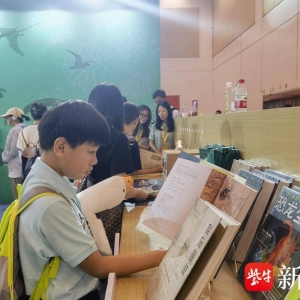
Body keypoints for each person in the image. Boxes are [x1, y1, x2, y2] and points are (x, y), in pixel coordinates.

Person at [18, 100, 166, 299]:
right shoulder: (50, 205)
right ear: (61, 147)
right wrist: (161, 256)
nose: (95, 161)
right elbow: (97, 266)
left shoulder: (39, 178)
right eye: (91, 152)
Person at [88, 83, 147, 249]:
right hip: (108, 212)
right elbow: (120, 188)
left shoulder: (87, 135)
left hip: (90, 211)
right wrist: (140, 193)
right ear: (117, 108)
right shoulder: (116, 137)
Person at [123, 102, 162, 175]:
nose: (144, 118)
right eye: (142, 115)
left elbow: (148, 147)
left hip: (142, 160)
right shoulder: (126, 135)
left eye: (146, 116)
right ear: (135, 119)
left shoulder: (147, 130)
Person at [1, 107, 30, 199]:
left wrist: (4, 158)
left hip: (16, 169)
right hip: (26, 168)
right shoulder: (26, 128)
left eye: (8, 117)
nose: (7, 120)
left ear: (14, 117)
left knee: (18, 198)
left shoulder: (14, 131)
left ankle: (17, 214)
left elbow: (12, 150)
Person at [17, 102, 47, 178]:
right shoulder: (51, 130)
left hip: (30, 172)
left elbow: (21, 154)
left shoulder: (24, 132)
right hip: (48, 171)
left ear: (31, 116)